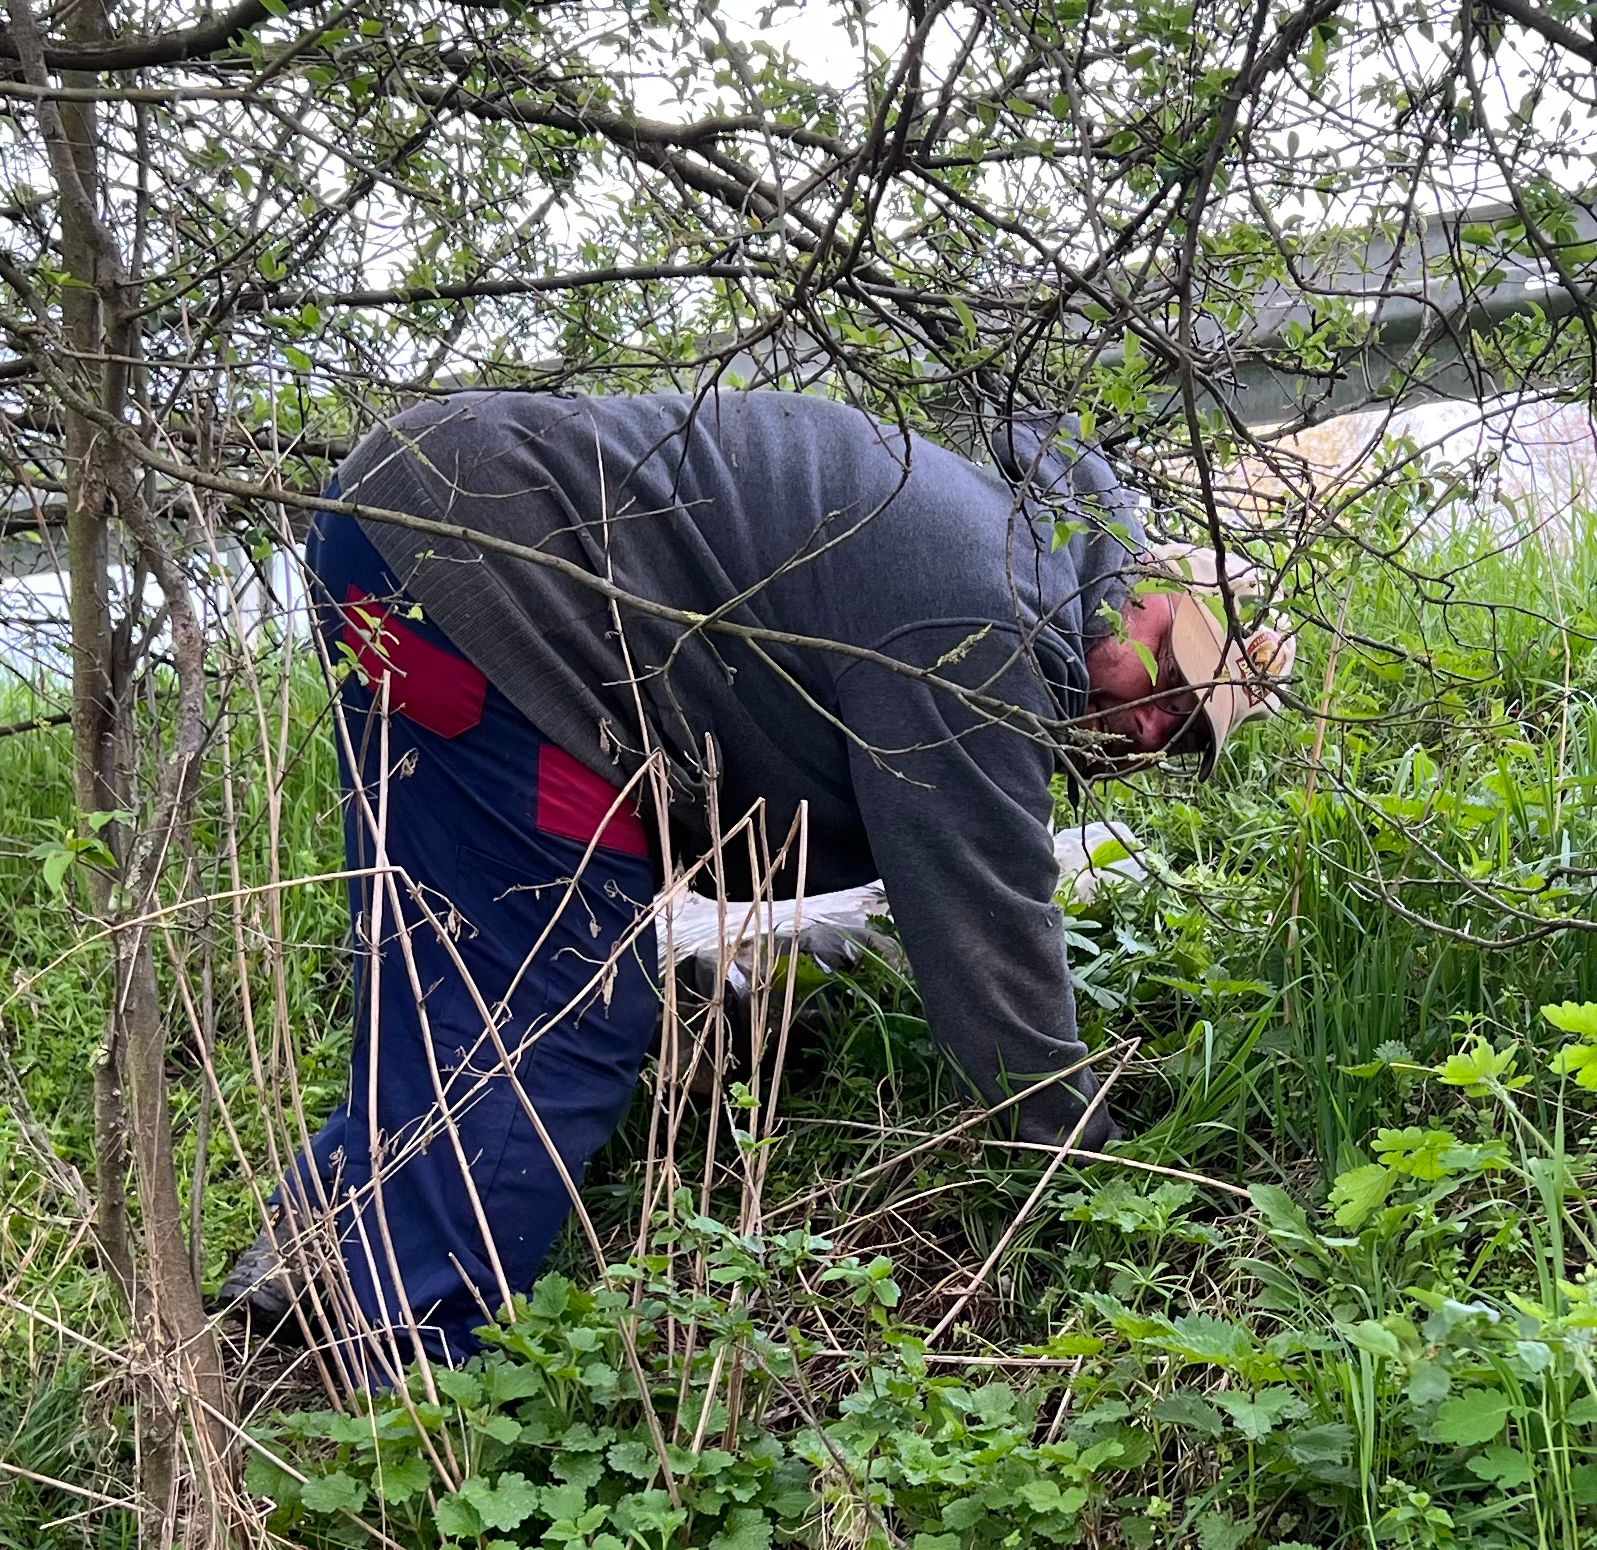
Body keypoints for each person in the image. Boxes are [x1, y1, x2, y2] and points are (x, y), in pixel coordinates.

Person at [222, 388, 1290, 1371]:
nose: (1152, 729)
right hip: (491, 573)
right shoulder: (984, 626)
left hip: (408, 529)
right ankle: (406, 1373)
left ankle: (315, 1246)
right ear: (1141, 597)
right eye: (1170, 686)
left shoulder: (1018, 564)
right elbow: (988, 926)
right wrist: (1092, 1167)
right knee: (554, 1004)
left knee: (457, 957)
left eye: (1184, 733)